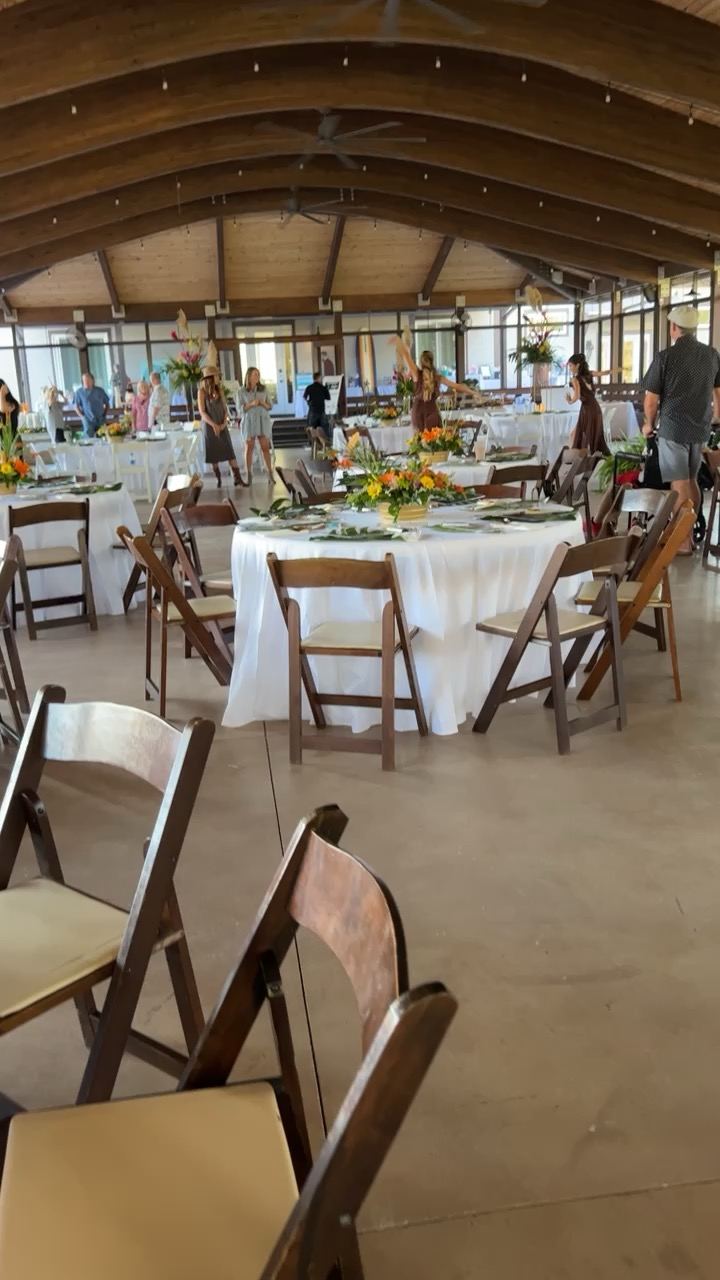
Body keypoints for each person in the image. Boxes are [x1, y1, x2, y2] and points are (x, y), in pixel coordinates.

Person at [642, 304, 720, 554]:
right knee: (691, 479)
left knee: (679, 483)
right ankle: (690, 530)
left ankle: (683, 540)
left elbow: (651, 400)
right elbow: (718, 393)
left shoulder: (665, 357)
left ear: (674, 328)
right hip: (700, 427)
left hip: (674, 428)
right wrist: (716, 418)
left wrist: (648, 425)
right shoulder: (711, 355)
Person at [391, 336, 479, 431]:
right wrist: (473, 392)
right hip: (432, 412)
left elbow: (406, 356)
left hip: (418, 413)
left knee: (419, 442)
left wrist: (398, 341)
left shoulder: (417, 374)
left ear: (421, 362)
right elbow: (458, 386)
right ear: (432, 361)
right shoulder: (438, 378)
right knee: (433, 440)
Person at [197, 362, 245, 488]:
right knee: (214, 454)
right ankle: (219, 479)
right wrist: (214, 425)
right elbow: (202, 412)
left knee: (229, 451)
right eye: (217, 376)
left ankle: (237, 478)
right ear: (210, 378)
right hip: (209, 425)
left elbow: (225, 409)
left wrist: (223, 423)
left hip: (222, 425)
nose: (219, 378)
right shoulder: (202, 392)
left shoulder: (220, 390)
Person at [566, 353, 609, 455]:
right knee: (592, 434)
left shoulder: (575, 379)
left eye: (571, 366)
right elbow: (604, 373)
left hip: (587, 410)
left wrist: (569, 401)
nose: (570, 368)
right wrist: (615, 370)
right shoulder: (589, 374)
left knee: (583, 434)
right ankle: (589, 456)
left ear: (577, 365)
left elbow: (576, 397)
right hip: (595, 408)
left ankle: (579, 457)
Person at [238, 366, 274, 481]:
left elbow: (270, 406)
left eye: (258, 374)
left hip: (262, 421)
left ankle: (270, 473)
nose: (257, 376)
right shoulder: (241, 391)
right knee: (249, 448)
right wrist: (252, 404)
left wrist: (262, 403)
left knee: (265, 447)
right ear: (248, 376)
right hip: (249, 422)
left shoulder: (264, 389)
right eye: (255, 374)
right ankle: (249, 474)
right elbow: (240, 409)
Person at [73, 372, 109, 438]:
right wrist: (82, 417)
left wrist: (104, 415)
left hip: (100, 419)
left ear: (92, 380)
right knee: (89, 441)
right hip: (88, 420)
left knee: (103, 439)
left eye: (87, 380)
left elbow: (107, 403)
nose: (86, 382)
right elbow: (76, 407)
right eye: (84, 380)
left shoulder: (100, 390)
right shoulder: (79, 392)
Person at [303, 371, 331, 441]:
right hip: (321, 411)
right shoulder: (323, 388)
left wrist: (309, 402)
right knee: (324, 429)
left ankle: (313, 444)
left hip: (313, 411)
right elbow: (328, 398)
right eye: (321, 378)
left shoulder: (309, 387)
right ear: (319, 378)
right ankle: (324, 444)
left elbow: (304, 397)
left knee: (312, 429)